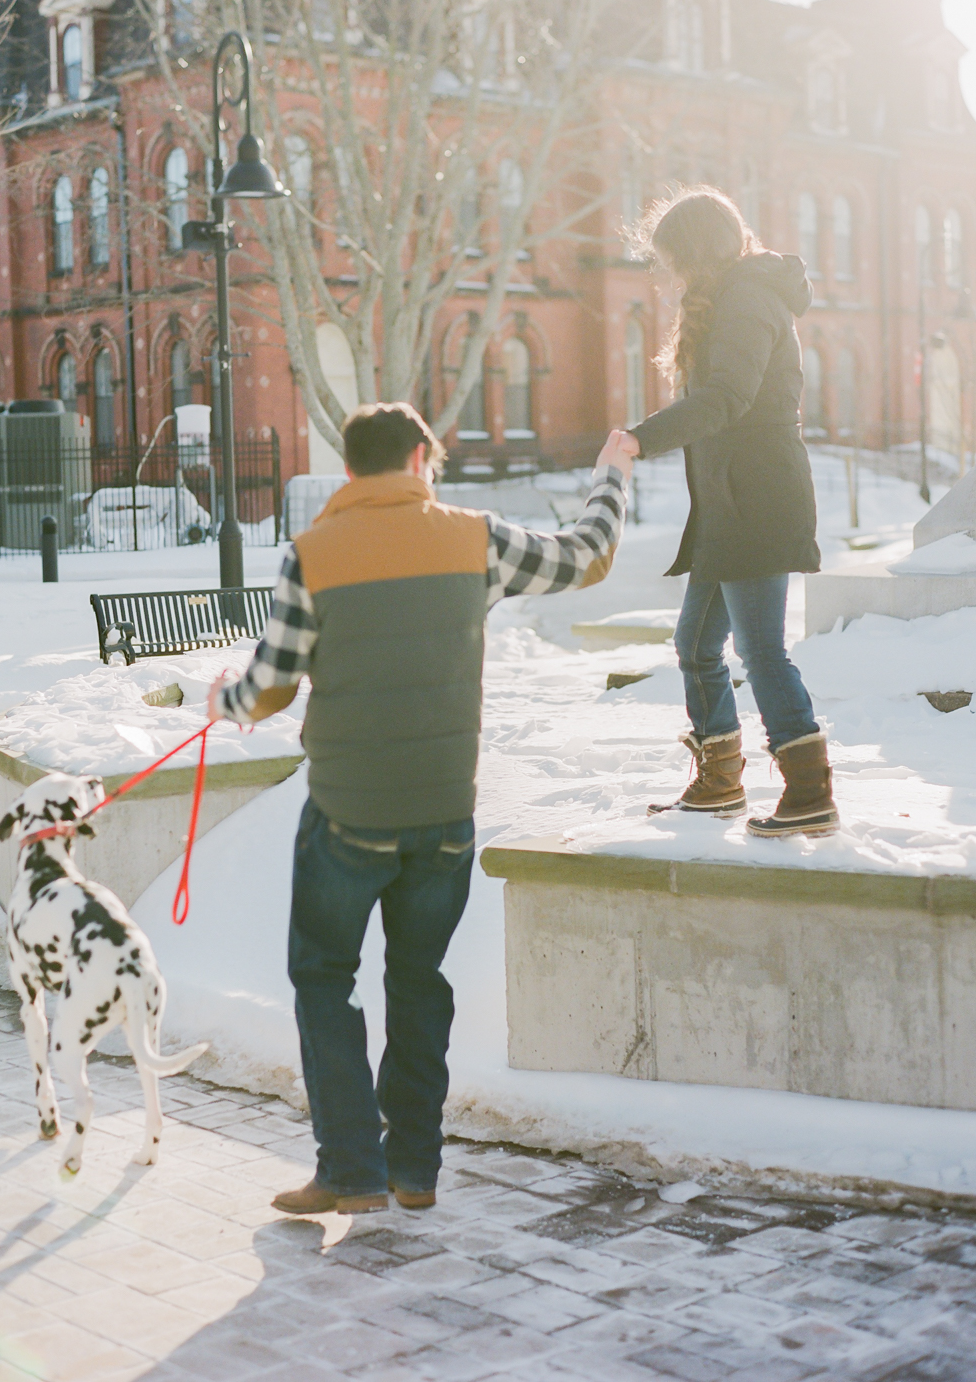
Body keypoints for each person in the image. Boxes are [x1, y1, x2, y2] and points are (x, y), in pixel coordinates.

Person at [208, 402, 635, 1215]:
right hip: (444, 810)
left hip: (345, 814)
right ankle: (413, 1170)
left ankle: (349, 1170)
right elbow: (588, 557)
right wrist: (610, 473)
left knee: (324, 978)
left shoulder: (313, 554)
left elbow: (269, 688)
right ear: (419, 459)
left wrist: (222, 700)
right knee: (417, 981)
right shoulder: (474, 539)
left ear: (348, 472)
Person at [620, 185, 839, 838]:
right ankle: (718, 779)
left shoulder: (749, 297)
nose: (671, 275)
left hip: (758, 498)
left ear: (697, 253)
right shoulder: (729, 297)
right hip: (727, 502)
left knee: (760, 650)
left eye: (674, 261)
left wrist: (638, 437)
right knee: (695, 643)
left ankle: (808, 791)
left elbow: (725, 398)